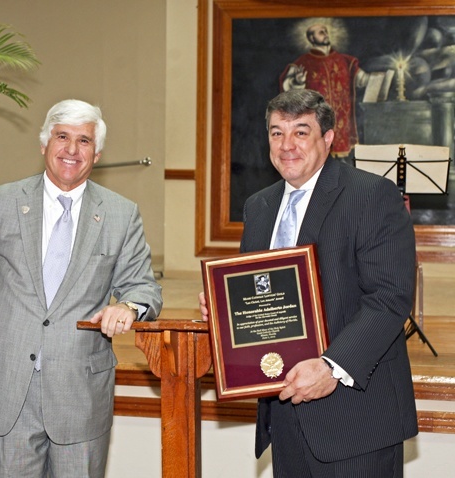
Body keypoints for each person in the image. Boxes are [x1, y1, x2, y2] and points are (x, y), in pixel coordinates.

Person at [200, 89, 418, 476]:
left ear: (329, 138)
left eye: (301, 132)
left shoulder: (370, 195)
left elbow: (390, 297)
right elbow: (261, 295)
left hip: (356, 419)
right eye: (276, 132)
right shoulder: (260, 206)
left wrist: (332, 366)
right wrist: (224, 310)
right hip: (284, 413)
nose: (287, 145)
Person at [0, 99, 163, 477]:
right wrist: (15, 315)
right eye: (62, 137)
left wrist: (129, 308)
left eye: (84, 141)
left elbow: (143, 287)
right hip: (7, 387)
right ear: (43, 145)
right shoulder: (0, 203)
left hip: (79, 393)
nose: (71, 150)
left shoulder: (121, 214)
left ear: (97, 153)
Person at [280, 23, 370, 158]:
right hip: (316, 124)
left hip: (342, 125)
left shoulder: (345, 60)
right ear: (311, 38)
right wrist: (298, 82)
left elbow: (363, 80)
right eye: (321, 32)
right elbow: (287, 89)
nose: (326, 34)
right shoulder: (302, 63)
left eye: (326, 31)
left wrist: (381, 78)